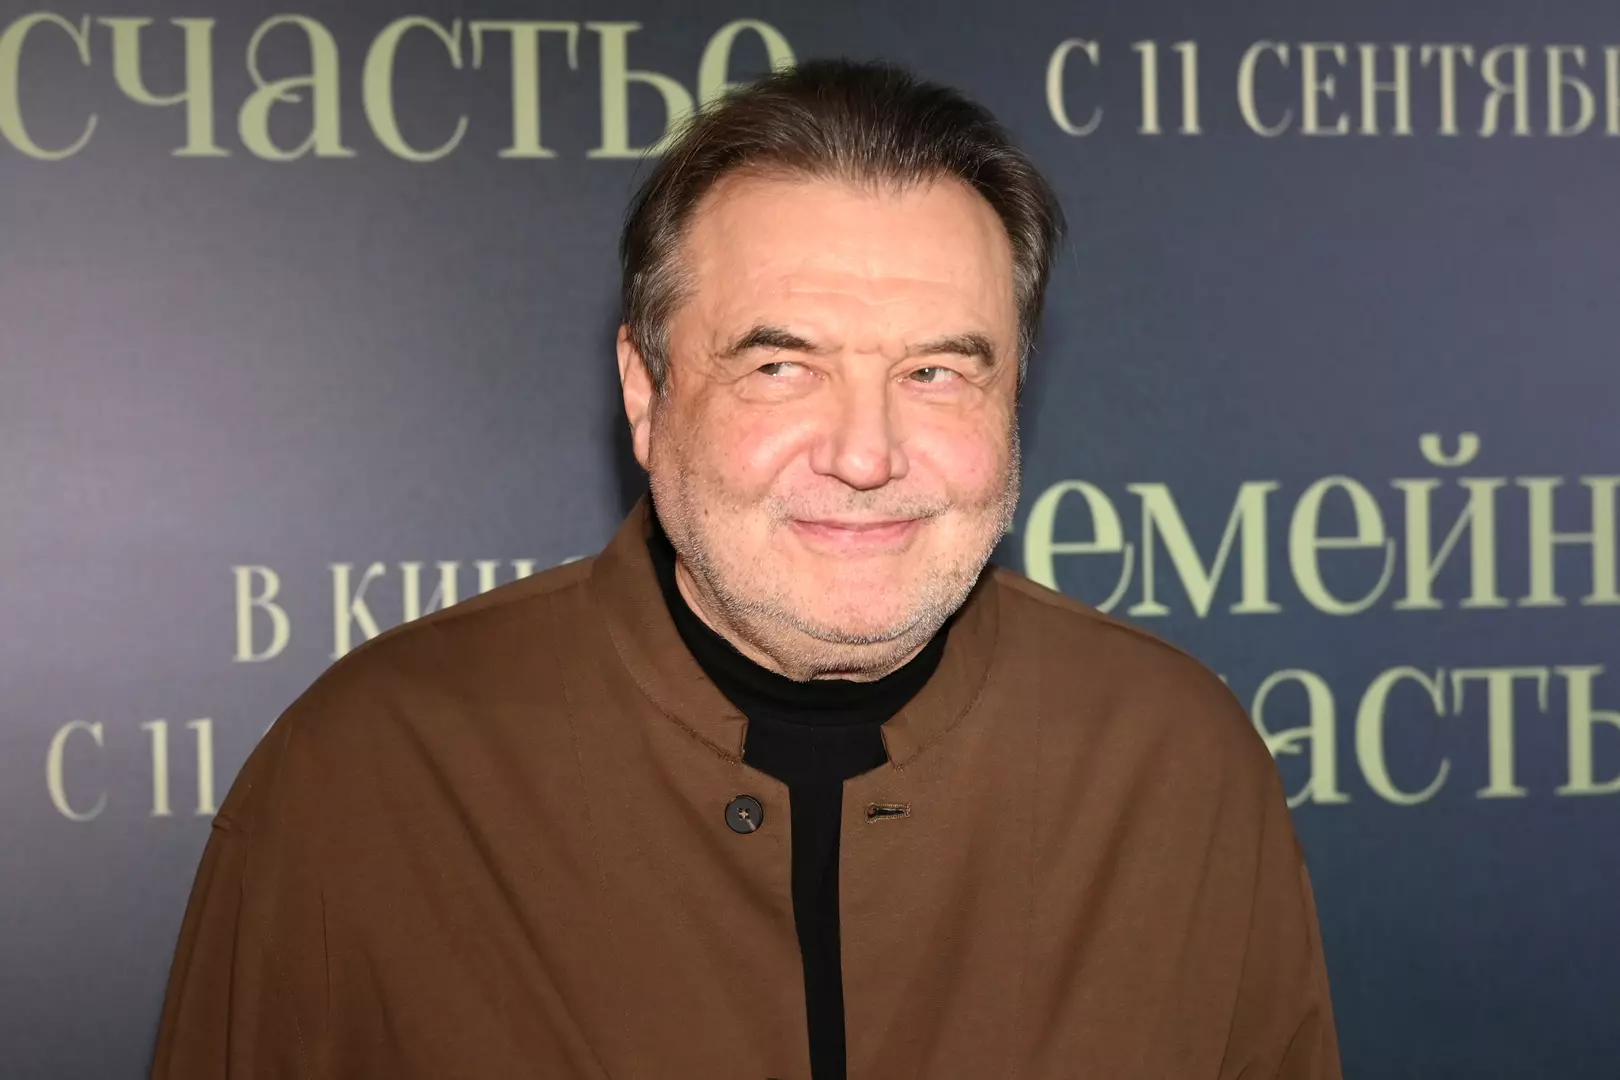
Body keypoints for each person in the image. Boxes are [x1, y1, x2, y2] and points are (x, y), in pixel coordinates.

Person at [150, 58, 1342, 1080]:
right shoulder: (365, 780)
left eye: (936, 372)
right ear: (645, 391)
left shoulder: (1178, 767)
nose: (867, 454)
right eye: (782, 368)